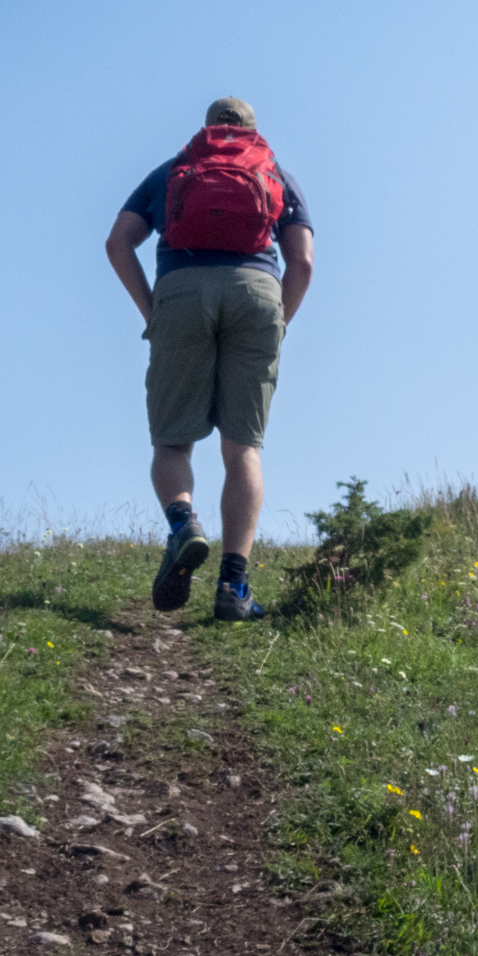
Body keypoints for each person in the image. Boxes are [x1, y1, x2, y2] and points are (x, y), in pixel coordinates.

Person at [105, 97, 314, 620]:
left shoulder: (174, 170)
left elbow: (117, 242)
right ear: (252, 131)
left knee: (173, 440)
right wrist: (278, 323)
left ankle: (183, 524)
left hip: (182, 290)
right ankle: (233, 589)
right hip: (258, 293)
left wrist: (152, 310)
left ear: (207, 129)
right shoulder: (276, 174)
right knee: (242, 448)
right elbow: (303, 263)